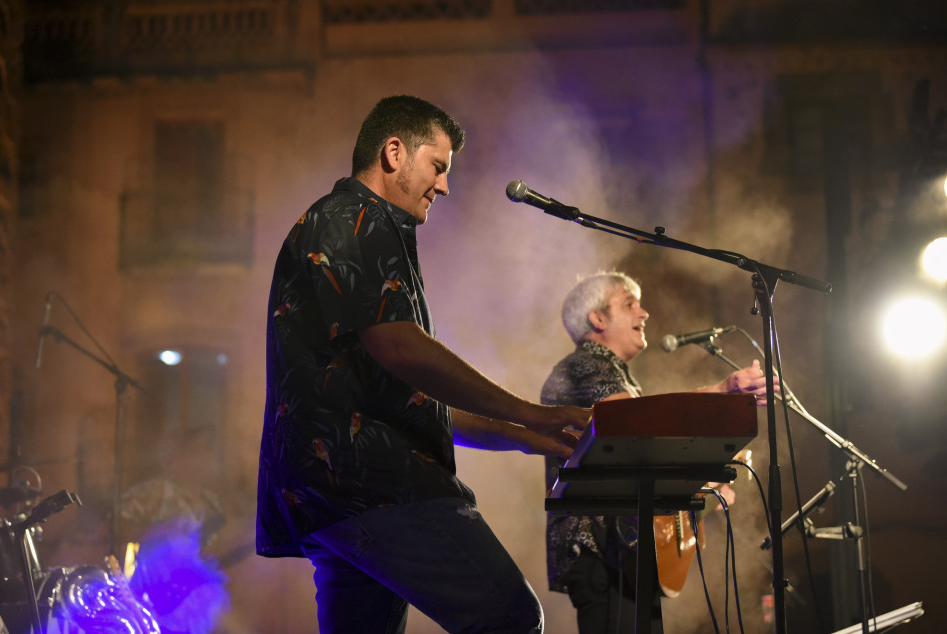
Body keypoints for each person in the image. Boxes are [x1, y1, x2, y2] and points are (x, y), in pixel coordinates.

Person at [256, 95, 589, 633]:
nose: (445, 185)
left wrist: (522, 435)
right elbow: (403, 349)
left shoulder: (361, 227)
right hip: (374, 486)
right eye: (438, 166)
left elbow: (404, 398)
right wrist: (534, 412)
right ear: (394, 153)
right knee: (510, 617)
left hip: (335, 498)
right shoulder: (352, 218)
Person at [542, 271, 776, 634]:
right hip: (602, 550)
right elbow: (633, 423)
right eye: (629, 304)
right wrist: (722, 390)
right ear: (598, 318)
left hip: (625, 551)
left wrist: (699, 489)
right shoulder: (585, 365)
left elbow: (642, 461)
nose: (644, 313)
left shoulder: (617, 375)